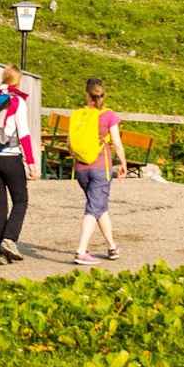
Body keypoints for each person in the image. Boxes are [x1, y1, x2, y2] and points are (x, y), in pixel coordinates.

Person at [0, 66, 38, 264]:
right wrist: (31, 162)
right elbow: (24, 133)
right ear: (18, 82)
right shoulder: (17, 101)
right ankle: (9, 239)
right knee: (21, 200)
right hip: (10, 158)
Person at [72, 77, 128, 266]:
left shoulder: (78, 115)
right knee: (93, 207)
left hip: (80, 168)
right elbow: (117, 143)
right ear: (103, 95)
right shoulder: (109, 116)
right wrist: (123, 163)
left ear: (86, 95)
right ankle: (81, 251)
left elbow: (70, 142)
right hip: (100, 168)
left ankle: (112, 247)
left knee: (99, 206)